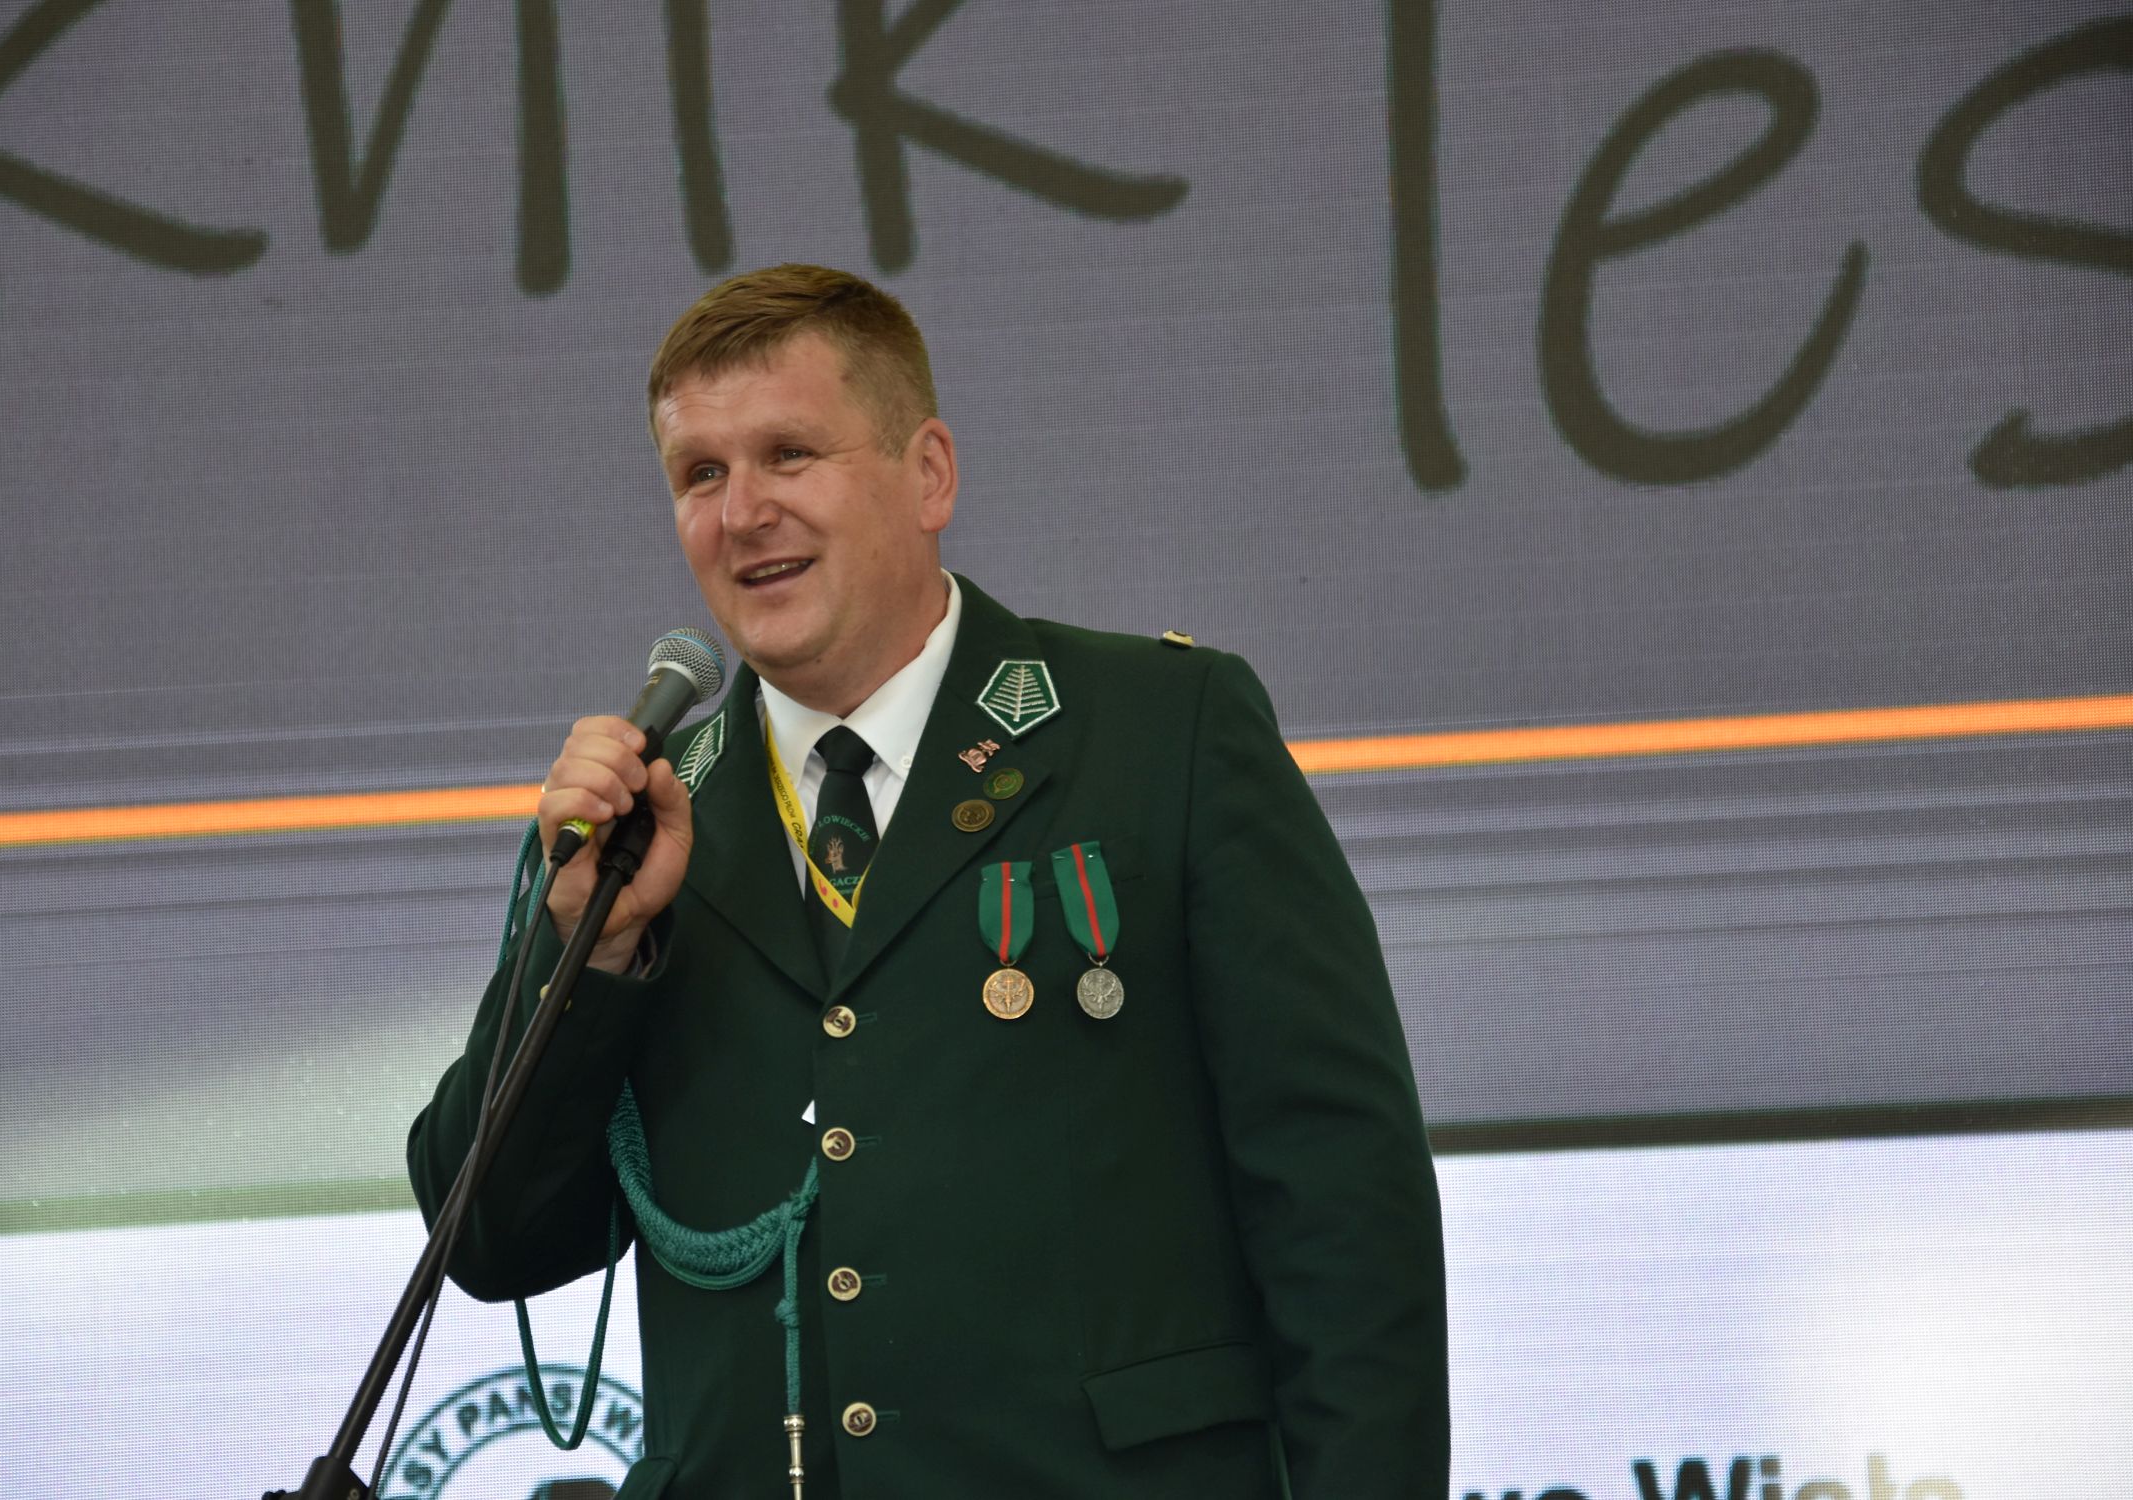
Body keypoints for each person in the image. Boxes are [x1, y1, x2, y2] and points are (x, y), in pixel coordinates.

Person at [408, 264, 1448, 1499]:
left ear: (929, 475)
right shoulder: (635, 826)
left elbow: (1342, 1203)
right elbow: (490, 1242)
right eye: (700, 474)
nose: (742, 513)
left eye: (790, 455)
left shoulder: (1162, 732)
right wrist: (591, 947)